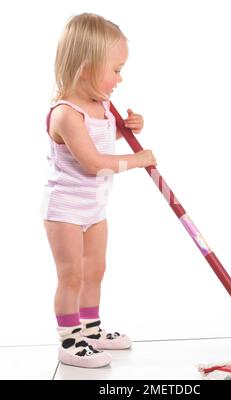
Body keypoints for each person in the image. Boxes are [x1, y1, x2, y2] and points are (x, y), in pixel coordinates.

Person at [40, 12, 157, 368]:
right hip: (65, 212)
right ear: (87, 66)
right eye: (116, 69)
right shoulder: (65, 114)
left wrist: (126, 129)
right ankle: (69, 341)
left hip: (94, 209)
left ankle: (90, 329)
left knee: (95, 270)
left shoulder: (102, 106)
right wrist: (135, 161)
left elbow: (101, 139)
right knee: (71, 274)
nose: (120, 79)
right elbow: (92, 161)